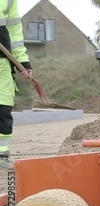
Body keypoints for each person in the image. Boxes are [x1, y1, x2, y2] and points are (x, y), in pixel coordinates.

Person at [0, 0, 33, 169]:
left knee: (3, 106)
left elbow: (14, 31)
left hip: (2, 62)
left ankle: (1, 154)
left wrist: (22, 61)